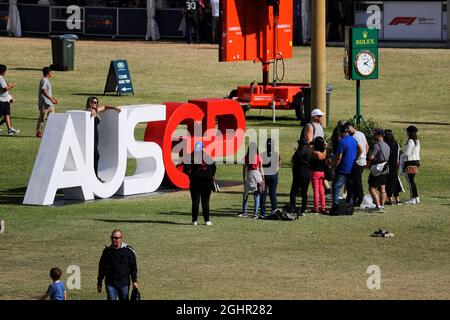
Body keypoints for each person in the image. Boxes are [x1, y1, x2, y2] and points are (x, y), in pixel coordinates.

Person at [85, 97, 121, 182]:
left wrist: (114, 108)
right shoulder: (88, 111)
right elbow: (89, 112)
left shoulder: (96, 110)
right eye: (94, 102)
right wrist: (92, 111)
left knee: (94, 156)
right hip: (90, 136)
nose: (95, 104)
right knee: (96, 156)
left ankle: (94, 176)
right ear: (89, 103)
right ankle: (95, 177)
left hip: (95, 136)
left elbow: (104, 107)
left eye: (96, 102)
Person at [97, 229, 138, 300]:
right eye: (112, 237)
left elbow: (133, 267)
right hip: (110, 283)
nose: (114, 240)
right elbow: (102, 267)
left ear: (121, 238)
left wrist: (134, 281)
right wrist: (99, 282)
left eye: (116, 238)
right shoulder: (107, 252)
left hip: (124, 283)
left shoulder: (128, 251)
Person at [183, 141, 216, 226]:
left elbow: (185, 169)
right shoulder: (207, 157)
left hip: (195, 183)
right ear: (202, 148)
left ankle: (194, 221)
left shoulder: (190, 157)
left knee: (195, 202)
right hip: (206, 183)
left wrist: (192, 175)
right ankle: (207, 220)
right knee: (205, 202)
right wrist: (210, 175)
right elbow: (214, 168)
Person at [332, 123, 361, 208]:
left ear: (341, 132)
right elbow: (360, 149)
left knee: (336, 186)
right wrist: (356, 158)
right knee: (350, 188)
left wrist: (333, 167)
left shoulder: (341, 142)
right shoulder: (354, 140)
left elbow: (339, 157)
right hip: (352, 168)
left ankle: (336, 204)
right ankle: (349, 204)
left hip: (343, 169)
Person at [367, 129, 390, 213]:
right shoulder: (387, 145)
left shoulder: (376, 145)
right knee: (383, 188)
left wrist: (370, 154)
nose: (373, 136)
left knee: (372, 188)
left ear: (379, 135)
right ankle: (382, 205)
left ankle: (378, 206)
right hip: (385, 168)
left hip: (377, 168)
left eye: (375, 134)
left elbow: (371, 157)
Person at [239, 142, 264, 218]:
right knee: (256, 195)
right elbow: (261, 168)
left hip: (250, 174)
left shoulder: (246, 157)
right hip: (257, 174)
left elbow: (244, 168)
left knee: (246, 194)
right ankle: (255, 214)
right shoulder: (259, 157)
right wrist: (263, 178)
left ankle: (245, 212)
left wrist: (244, 178)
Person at [348, 123, 369, 206]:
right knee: (357, 181)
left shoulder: (354, 137)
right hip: (363, 161)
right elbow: (367, 146)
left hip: (358, 162)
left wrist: (356, 158)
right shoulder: (361, 133)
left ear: (350, 128)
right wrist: (364, 155)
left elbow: (360, 149)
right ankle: (356, 199)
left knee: (357, 182)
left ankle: (360, 199)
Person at [260, 138, 281, 218]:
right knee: (273, 194)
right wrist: (276, 170)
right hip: (273, 175)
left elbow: (260, 165)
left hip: (265, 175)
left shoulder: (262, 154)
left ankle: (262, 212)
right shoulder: (276, 154)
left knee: (263, 194)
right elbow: (279, 163)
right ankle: (274, 210)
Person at [289, 138, 310, 214]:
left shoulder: (298, 153)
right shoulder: (308, 153)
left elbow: (292, 161)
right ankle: (303, 210)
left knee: (293, 193)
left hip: (297, 175)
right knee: (304, 193)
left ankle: (293, 208)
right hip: (306, 175)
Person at [401, 125, 421, 205]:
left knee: (411, 181)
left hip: (410, 162)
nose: (406, 133)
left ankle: (413, 198)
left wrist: (401, 153)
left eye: (407, 131)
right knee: (412, 181)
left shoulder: (410, 141)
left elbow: (407, 153)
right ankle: (416, 198)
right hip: (415, 161)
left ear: (410, 132)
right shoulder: (417, 140)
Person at [36, 67, 58, 138]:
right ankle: (39, 131)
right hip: (44, 104)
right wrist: (51, 99)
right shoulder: (45, 80)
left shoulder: (46, 80)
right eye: (51, 72)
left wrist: (53, 98)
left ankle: (51, 132)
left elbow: (47, 91)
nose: (51, 74)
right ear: (48, 73)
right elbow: (43, 90)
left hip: (50, 104)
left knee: (53, 118)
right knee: (42, 118)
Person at [310, 137, 328, 214]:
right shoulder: (324, 152)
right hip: (322, 172)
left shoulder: (315, 153)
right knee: (321, 190)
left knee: (316, 190)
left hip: (315, 172)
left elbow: (310, 154)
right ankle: (323, 206)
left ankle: (316, 207)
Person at [0, 64, 20, 135]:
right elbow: (4, 89)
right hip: (1, 100)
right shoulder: (0, 78)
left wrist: (8, 85)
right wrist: (11, 86)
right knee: (4, 114)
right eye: (5, 71)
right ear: (2, 71)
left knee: (7, 114)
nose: (5, 72)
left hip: (5, 99)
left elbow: (2, 88)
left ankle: (10, 130)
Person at [384, 129, 402, 205]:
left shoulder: (384, 144)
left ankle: (390, 200)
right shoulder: (396, 144)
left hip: (387, 165)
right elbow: (398, 156)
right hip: (394, 165)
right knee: (395, 181)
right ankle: (397, 199)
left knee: (387, 182)